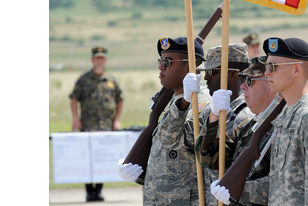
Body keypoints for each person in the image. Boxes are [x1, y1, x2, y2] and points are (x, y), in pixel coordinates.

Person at [212, 38, 308, 206]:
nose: (267, 73)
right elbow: (281, 186)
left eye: (273, 67)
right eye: (267, 67)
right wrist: (237, 191)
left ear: (296, 69)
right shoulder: (286, 115)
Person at [118, 37, 212, 206]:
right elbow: (172, 162)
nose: (161, 67)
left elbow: (174, 141)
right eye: (161, 61)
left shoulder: (200, 105)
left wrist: (184, 103)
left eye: (168, 62)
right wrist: (141, 171)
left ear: (190, 65)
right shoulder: (175, 102)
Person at [202, 56, 277, 206]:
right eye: (243, 80)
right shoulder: (250, 125)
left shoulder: (281, 128)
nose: (243, 87)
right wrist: (213, 117)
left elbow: (288, 184)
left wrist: (239, 190)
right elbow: (210, 158)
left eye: (250, 81)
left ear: (271, 84)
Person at [193, 43, 253, 203]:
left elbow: (209, 159)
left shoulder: (244, 116)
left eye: (212, 71)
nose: (206, 77)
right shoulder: (224, 112)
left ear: (233, 75)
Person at [69, 46, 124, 202]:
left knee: (102, 158)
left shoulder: (111, 80)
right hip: (88, 125)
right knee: (88, 159)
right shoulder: (84, 79)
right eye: (97, 58)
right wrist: (75, 119)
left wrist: (117, 120)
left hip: (106, 125)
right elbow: (74, 99)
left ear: (105, 60)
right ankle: (89, 192)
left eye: (102, 58)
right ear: (92, 60)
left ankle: (98, 191)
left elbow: (120, 100)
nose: (99, 61)